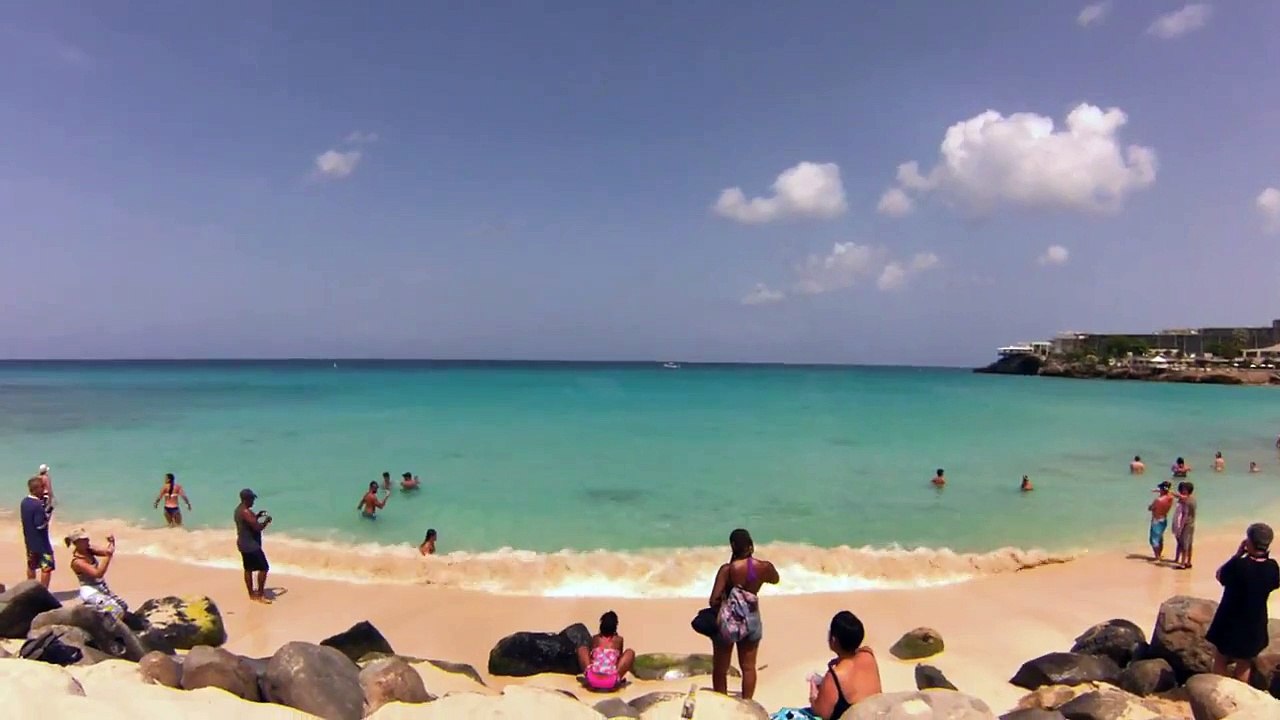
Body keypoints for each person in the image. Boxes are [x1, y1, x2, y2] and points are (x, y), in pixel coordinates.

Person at [709, 528, 780, 700]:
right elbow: (775, 579)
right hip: (752, 619)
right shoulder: (764, 567)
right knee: (748, 667)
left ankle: (722, 702)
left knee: (721, 668)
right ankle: (747, 704)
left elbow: (713, 600)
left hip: (729, 621)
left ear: (732, 546)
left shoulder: (727, 570)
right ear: (751, 545)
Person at [1205, 523, 1280, 682]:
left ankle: (1217, 690)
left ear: (1249, 543)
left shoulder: (1239, 565)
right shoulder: (1272, 568)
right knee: (1244, 663)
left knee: (1221, 657)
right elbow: (1274, 583)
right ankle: (1239, 692)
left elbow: (1220, 575)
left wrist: (1237, 555)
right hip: (1254, 623)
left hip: (1229, 621)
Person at [806, 611, 882, 719]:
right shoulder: (868, 655)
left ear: (833, 640)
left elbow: (822, 713)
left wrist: (813, 692)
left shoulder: (835, 676)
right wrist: (839, 660)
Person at [65, 528, 129, 619]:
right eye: (84, 540)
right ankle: (99, 616)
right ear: (76, 543)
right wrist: (108, 556)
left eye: (87, 538)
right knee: (115, 610)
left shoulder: (89, 550)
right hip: (90, 591)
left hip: (102, 588)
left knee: (123, 606)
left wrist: (111, 542)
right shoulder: (77, 562)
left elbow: (107, 551)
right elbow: (98, 574)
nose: (88, 540)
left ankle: (98, 609)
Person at [576, 610, 636, 692]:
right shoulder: (618, 640)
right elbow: (618, 660)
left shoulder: (595, 638)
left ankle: (589, 674)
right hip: (611, 681)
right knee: (630, 652)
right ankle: (617, 679)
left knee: (582, 648)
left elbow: (592, 657)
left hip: (592, 679)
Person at [235, 488, 272, 602]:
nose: (253, 501)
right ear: (246, 499)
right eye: (252, 499)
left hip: (243, 543)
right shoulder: (246, 512)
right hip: (251, 545)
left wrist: (257, 516)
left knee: (248, 569)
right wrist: (266, 521)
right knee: (264, 568)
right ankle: (260, 594)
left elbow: (249, 523)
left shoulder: (238, 510)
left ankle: (251, 594)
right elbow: (257, 527)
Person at [21, 476, 55, 588]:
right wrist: (48, 516)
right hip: (42, 543)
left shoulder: (24, 502)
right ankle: (43, 592)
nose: (43, 490)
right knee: (46, 568)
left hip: (29, 541)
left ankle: (30, 589)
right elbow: (40, 525)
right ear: (35, 489)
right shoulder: (37, 506)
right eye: (42, 487)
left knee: (31, 566)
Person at [1172, 481, 1197, 570]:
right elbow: (1179, 496)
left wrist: (1180, 528)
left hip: (1186, 524)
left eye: (1183, 490)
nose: (1181, 491)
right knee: (1189, 544)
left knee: (1184, 544)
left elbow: (1185, 515)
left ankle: (1182, 564)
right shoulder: (1192, 499)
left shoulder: (1187, 501)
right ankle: (1188, 562)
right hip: (1191, 524)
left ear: (1187, 490)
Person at [1148, 481, 1175, 562]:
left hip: (1156, 520)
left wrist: (1150, 507)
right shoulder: (1170, 498)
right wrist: (1160, 490)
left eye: (1160, 489)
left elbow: (1151, 508)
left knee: (1154, 540)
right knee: (1160, 538)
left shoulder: (1158, 500)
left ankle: (1157, 557)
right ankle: (1159, 554)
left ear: (1162, 489)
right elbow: (1170, 493)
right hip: (1164, 519)